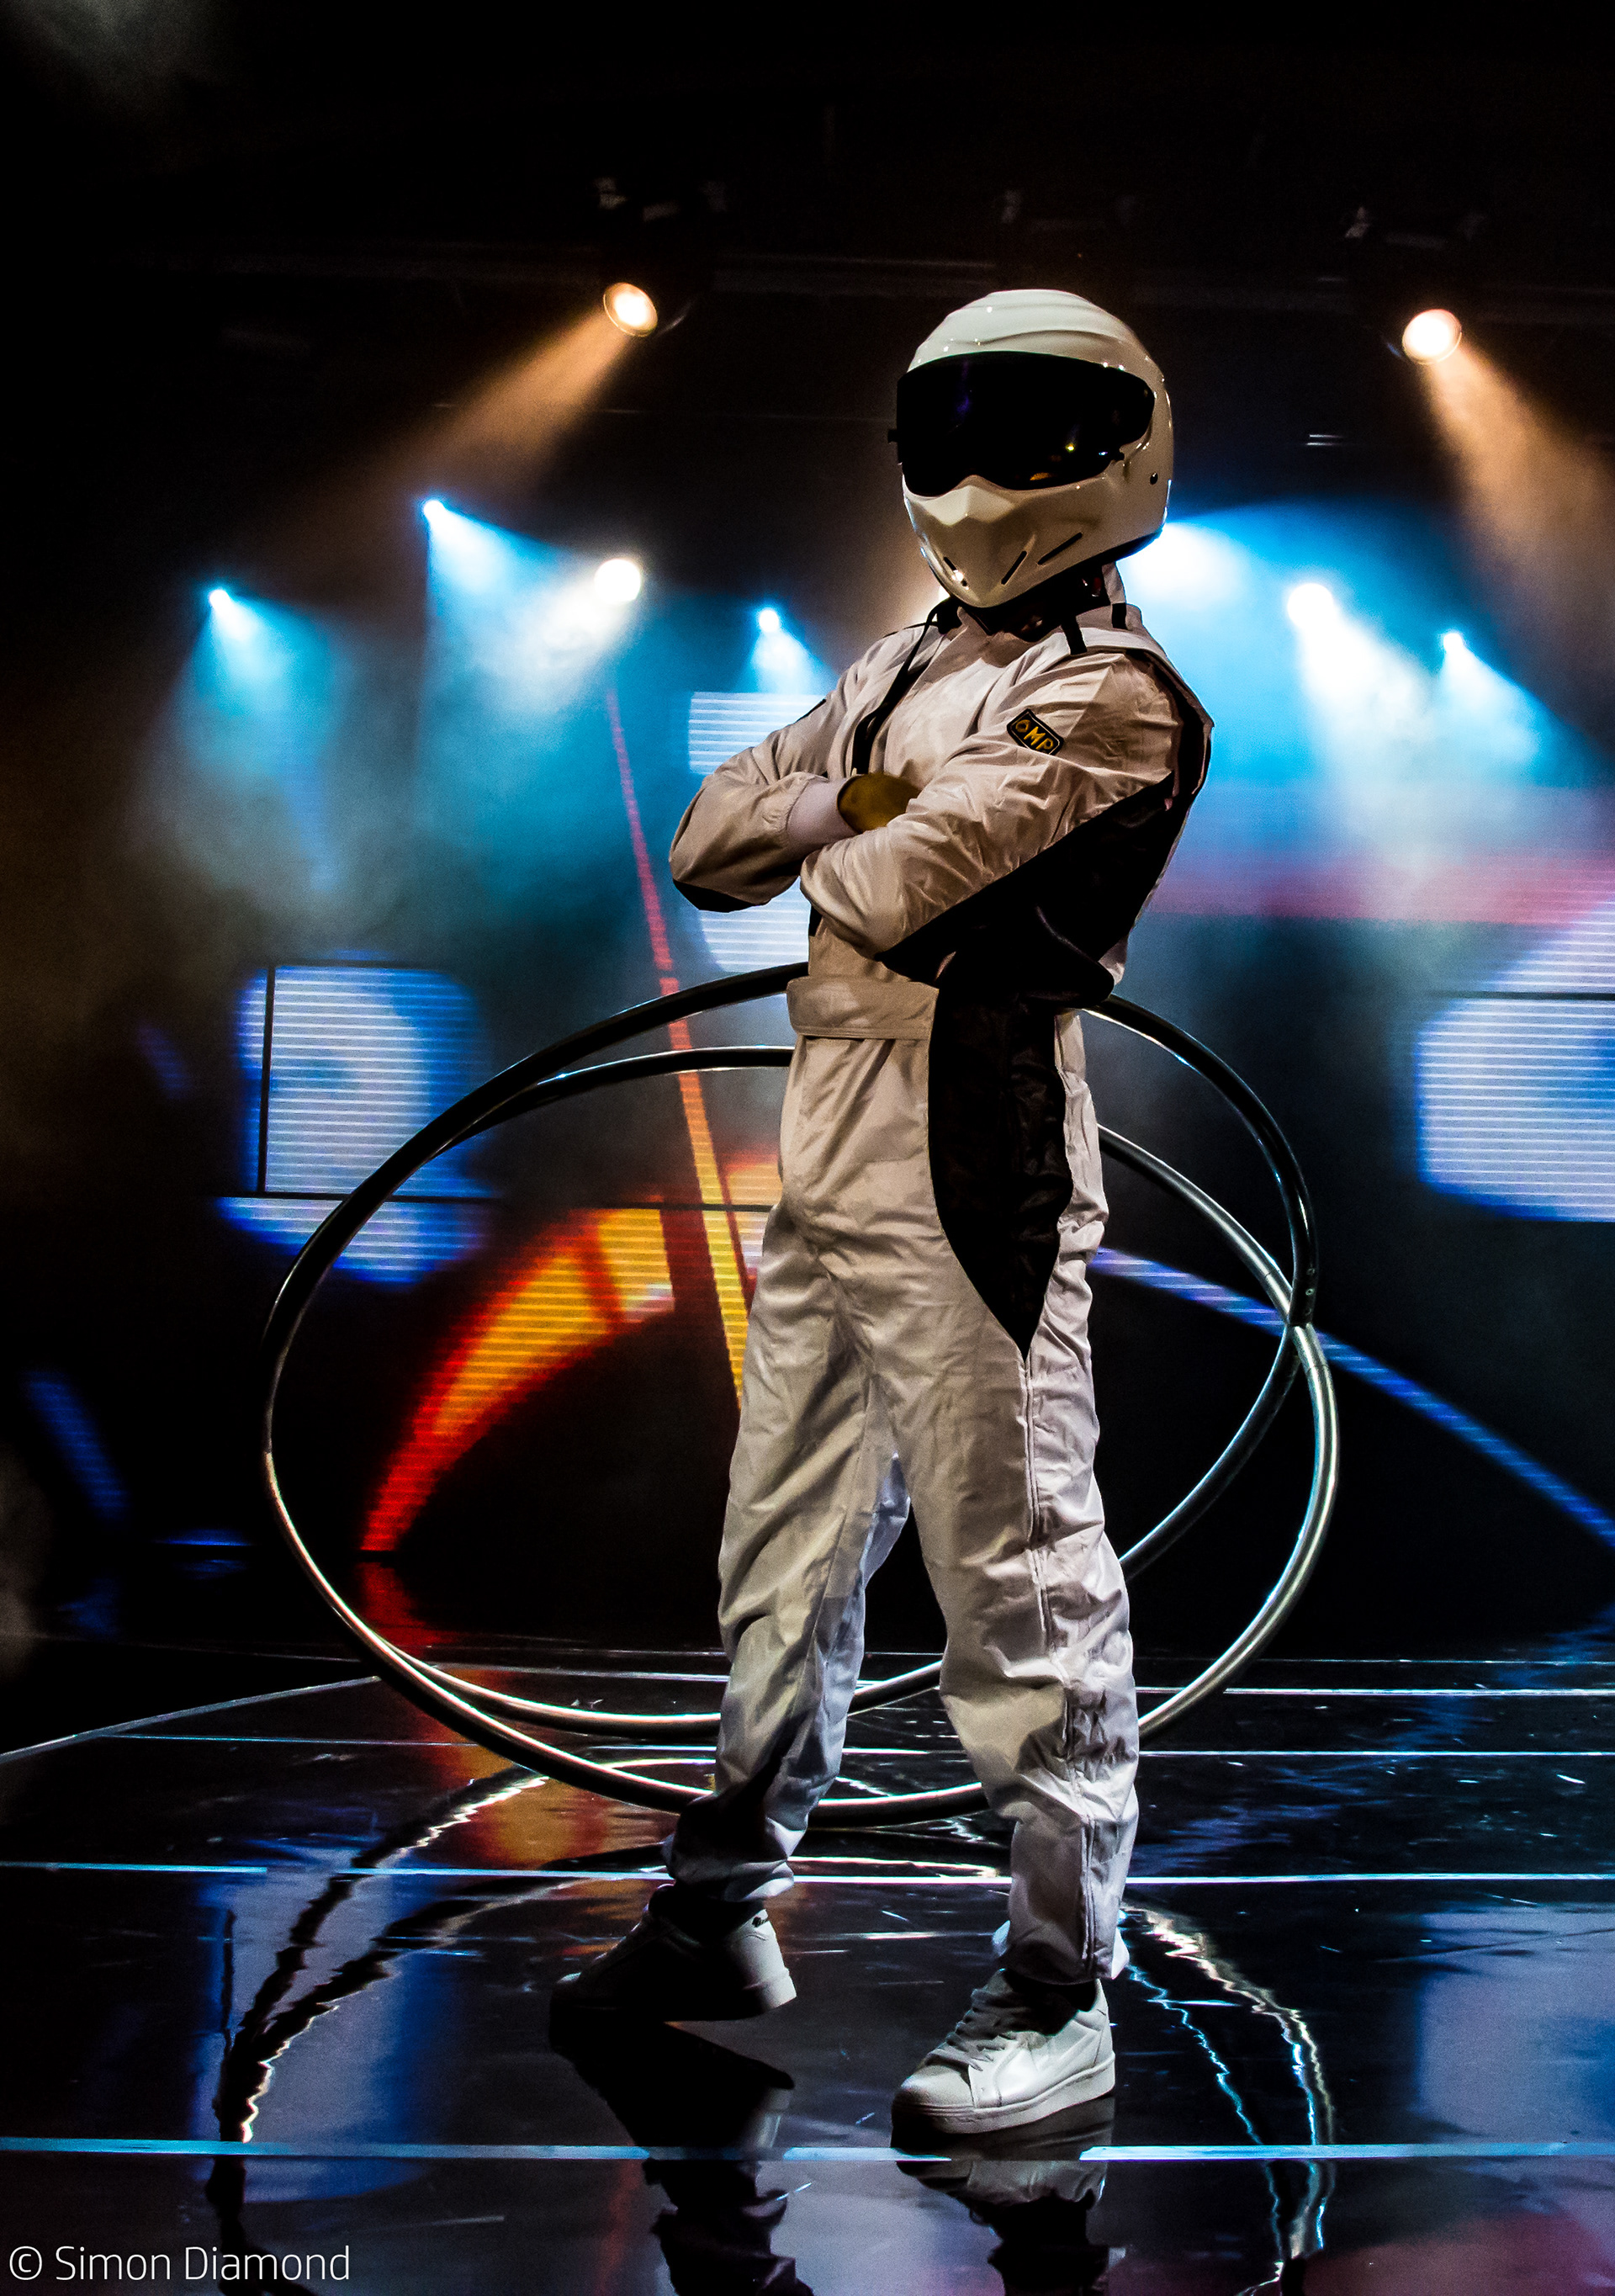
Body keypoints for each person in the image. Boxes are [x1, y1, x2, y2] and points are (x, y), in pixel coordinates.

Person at [555, 287, 1211, 2140]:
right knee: (782, 1552)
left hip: (972, 1138)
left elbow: (881, 892)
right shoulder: (914, 660)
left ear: (1120, 445)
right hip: (835, 1128)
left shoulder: (1117, 691)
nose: (985, 466)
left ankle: (1061, 1983)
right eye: (957, 423)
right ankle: (719, 1907)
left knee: (1017, 1570)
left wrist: (825, 804)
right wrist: (861, 791)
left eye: (1030, 425)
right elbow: (710, 841)